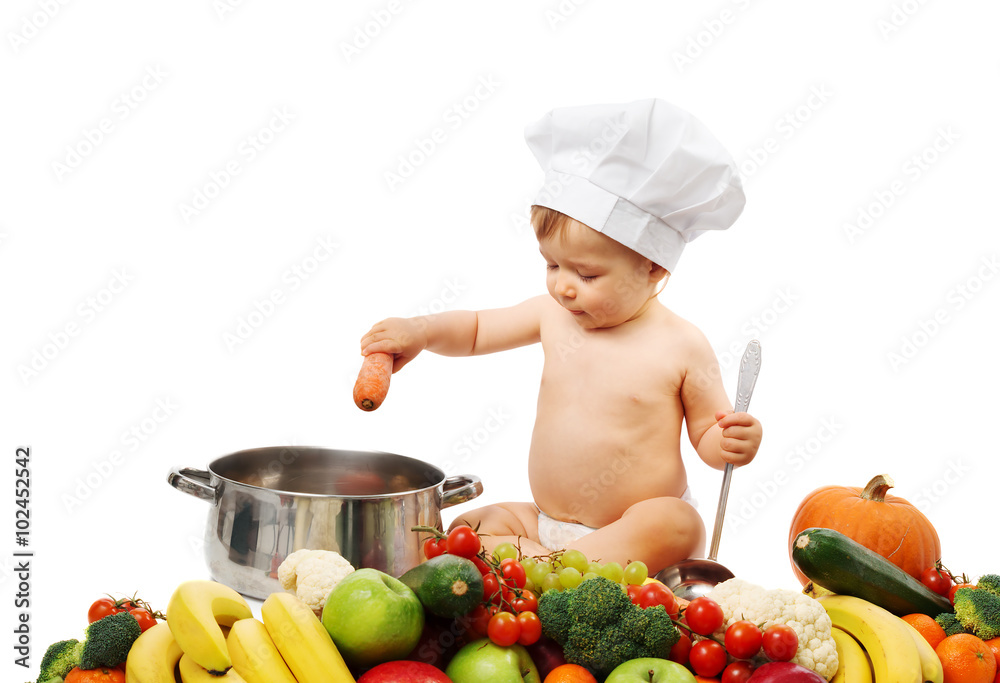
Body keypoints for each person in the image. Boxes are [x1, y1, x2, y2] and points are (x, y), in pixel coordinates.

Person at [359, 99, 762, 574]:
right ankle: (552, 565)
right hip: (545, 520)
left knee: (677, 522)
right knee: (469, 523)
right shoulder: (554, 314)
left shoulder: (681, 345)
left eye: (587, 275)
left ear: (652, 266)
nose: (563, 286)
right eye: (552, 264)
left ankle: (542, 569)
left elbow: (707, 434)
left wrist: (731, 441)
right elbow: (475, 330)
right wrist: (421, 332)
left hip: (631, 528)